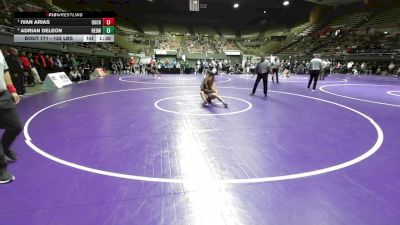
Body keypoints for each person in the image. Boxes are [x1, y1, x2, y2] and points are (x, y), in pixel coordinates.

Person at [0, 50, 22, 184]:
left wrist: (12, 90)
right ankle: (1, 169)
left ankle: (5, 147)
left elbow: (5, 71)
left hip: (3, 96)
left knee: (15, 126)